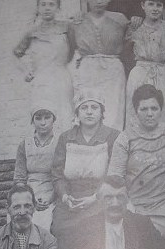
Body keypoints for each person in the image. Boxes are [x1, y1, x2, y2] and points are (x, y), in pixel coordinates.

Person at [107, 83, 165, 242]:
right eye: (144, 109)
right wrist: (128, 205)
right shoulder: (125, 138)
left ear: (161, 110)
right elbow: (115, 178)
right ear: (135, 111)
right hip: (137, 205)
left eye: (154, 109)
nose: (150, 114)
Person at [49, 91, 120, 237]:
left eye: (94, 107)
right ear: (77, 113)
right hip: (70, 201)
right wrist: (65, 196)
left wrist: (95, 198)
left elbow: (115, 175)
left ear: (102, 112)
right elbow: (57, 174)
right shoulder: (66, 138)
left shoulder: (113, 136)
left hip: (100, 199)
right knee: (61, 230)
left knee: (95, 231)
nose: (89, 112)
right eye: (84, 108)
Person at [68, 0, 129, 130]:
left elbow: (131, 43)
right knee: (88, 107)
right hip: (87, 69)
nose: (99, 1)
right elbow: (70, 46)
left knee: (113, 108)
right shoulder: (77, 22)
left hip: (113, 69)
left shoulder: (120, 20)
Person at [13, 0, 74, 130]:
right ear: (38, 8)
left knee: (64, 115)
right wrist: (25, 71)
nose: (47, 8)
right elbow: (17, 53)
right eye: (43, 4)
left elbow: (72, 50)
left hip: (61, 79)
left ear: (58, 8)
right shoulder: (32, 31)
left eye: (52, 4)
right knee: (42, 115)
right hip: (41, 80)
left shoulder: (67, 28)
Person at [124, 0, 165, 128]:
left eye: (159, 5)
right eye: (151, 4)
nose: (155, 8)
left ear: (164, 8)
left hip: (163, 75)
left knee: (164, 112)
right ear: (143, 5)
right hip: (140, 73)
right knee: (138, 111)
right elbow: (125, 52)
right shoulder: (135, 26)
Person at [13, 104, 59, 232]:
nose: (43, 123)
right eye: (38, 118)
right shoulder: (25, 144)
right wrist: (30, 198)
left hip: (53, 192)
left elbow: (62, 176)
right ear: (32, 121)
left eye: (47, 117)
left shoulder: (60, 143)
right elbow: (19, 179)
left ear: (53, 119)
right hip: (29, 192)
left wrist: (51, 198)